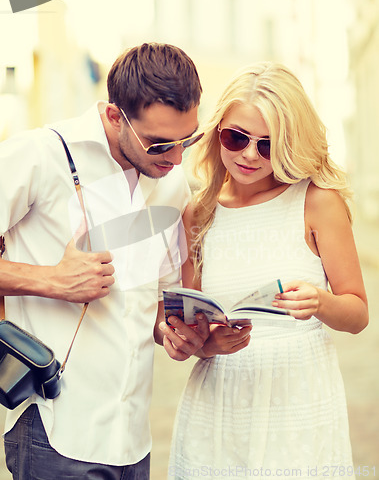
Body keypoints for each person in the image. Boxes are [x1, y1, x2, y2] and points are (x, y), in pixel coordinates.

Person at [0, 42, 210, 479]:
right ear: (115, 117)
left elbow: (156, 302)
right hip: (54, 431)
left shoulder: (172, 183)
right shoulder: (39, 155)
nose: (176, 158)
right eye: (159, 144)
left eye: (187, 140)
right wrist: (50, 281)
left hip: (133, 441)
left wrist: (172, 333)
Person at [168, 62, 368, 479]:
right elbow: (196, 333)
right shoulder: (198, 211)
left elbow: (357, 314)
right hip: (219, 403)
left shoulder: (317, 201)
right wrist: (206, 343)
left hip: (298, 399)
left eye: (267, 144)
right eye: (236, 137)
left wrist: (321, 302)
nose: (248, 154)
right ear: (218, 130)